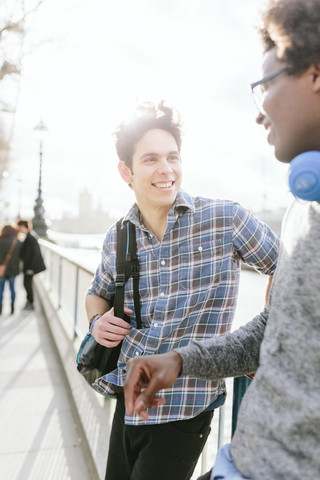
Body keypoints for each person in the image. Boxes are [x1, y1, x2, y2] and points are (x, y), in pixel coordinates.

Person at [123, 1, 320, 479]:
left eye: (266, 86)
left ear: (315, 75)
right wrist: (180, 360)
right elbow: (276, 328)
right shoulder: (303, 209)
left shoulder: (232, 218)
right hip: (240, 461)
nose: (259, 113)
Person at [85, 101, 279, 480]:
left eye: (172, 157)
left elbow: (288, 269)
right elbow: (97, 293)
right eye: (151, 159)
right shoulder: (118, 236)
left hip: (185, 405)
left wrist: (262, 343)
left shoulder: (225, 219)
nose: (166, 169)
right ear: (126, 170)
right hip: (129, 398)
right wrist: (96, 321)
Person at [17, 219, 46, 310]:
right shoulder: (30, 236)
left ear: (23, 226)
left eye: (19, 227)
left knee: (27, 284)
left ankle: (30, 303)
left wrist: (30, 268)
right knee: (27, 284)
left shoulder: (30, 237)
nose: (19, 229)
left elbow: (34, 254)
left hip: (30, 267)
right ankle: (29, 302)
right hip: (29, 266)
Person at [0, 223, 21, 315]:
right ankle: (12, 308)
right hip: (13, 269)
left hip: (1, 269)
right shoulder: (17, 242)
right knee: (12, 288)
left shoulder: (1, 242)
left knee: (1, 289)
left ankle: (0, 309)